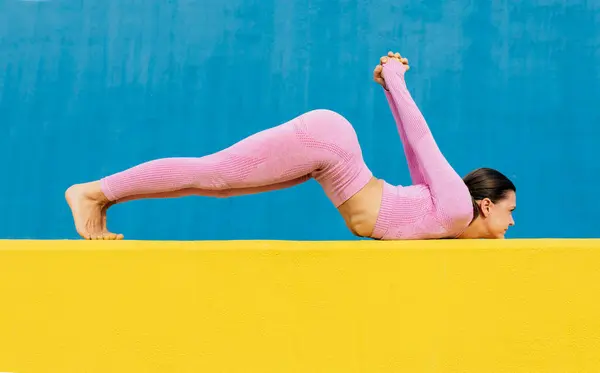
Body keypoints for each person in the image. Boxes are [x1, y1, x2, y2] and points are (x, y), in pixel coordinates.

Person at [66, 51, 516, 240]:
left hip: (330, 159)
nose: (514, 220)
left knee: (217, 184)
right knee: (214, 173)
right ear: (486, 205)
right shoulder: (457, 206)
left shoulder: (451, 219)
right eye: (509, 209)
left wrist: (388, 88)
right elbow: (422, 142)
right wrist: (395, 79)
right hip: (329, 146)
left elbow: (415, 159)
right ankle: (92, 191)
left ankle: (104, 197)